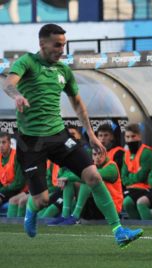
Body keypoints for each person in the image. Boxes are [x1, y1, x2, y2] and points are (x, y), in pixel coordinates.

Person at [2, 23, 142, 248]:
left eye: (64, 45)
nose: (61, 50)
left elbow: (77, 103)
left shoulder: (63, 70)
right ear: (42, 44)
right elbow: (9, 83)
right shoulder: (27, 62)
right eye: (57, 45)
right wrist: (17, 96)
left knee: (94, 177)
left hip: (58, 135)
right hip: (31, 141)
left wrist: (92, 136)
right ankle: (31, 209)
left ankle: (119, 231)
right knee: (42, 200)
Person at [121, 123, 152, 219]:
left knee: (127, 202)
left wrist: (130, 176)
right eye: (127, 137)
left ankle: (144, 225)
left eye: (133, 136)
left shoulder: (146, 152)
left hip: (144, 188)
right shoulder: (126, 154)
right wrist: (133, 176)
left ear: (139, 136)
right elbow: (123, 178)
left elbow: (142, 176)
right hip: (130, 188)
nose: (130, 140)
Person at [0, 132, 27, 210]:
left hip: (18, 190)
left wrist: (2, 190)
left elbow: (19, 183)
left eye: (3, 142)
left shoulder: (17, 157)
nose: (1, 145)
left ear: (10, 143)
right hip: (6, 190)